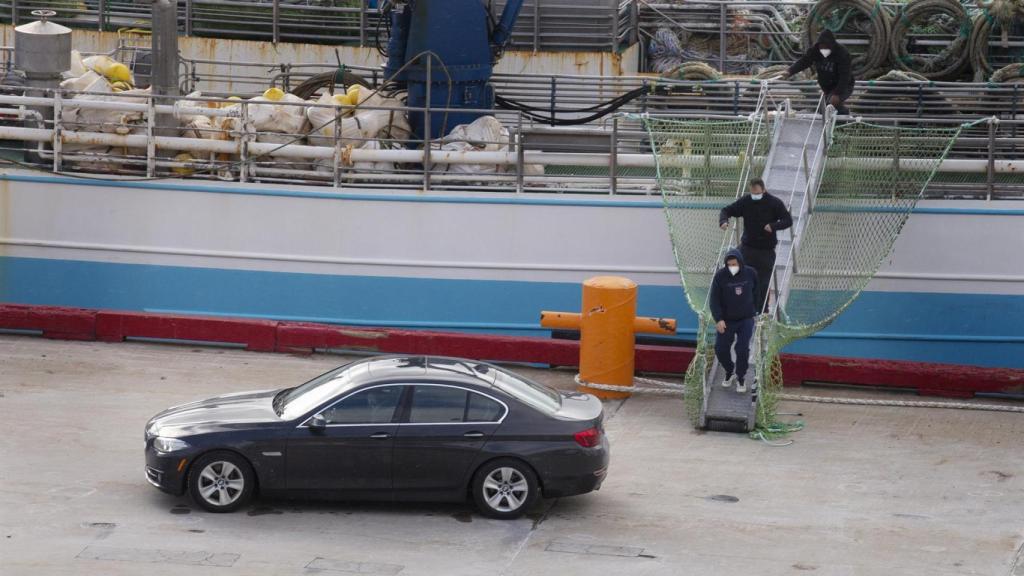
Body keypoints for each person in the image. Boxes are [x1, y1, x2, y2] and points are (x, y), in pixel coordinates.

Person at [719, 178, 793, 313]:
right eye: (753, 194)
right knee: (737, 272)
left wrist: (773, 226)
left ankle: (762, 311)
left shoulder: (774, 203)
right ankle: (736, 305)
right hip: (747, 248)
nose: (755, 197)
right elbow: (726, 210)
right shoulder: (746, 202)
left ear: (763, 190)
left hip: (766, 251)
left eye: (757, 194)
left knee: (763, 283)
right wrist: (723, 221)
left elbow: (788, 220)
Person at [709, 249, 758, 393]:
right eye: (729, 265)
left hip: (746, 319)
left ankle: (741, 377)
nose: (732, 267)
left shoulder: (751, 273)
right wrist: (718, 319)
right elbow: (714, 300)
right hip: (727, 320)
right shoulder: (720, 276)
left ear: (740, 263)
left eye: (734, 264)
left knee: (742, 349)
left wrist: (758, 310)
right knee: (720, 348)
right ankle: (729, 370)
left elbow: (757, 293)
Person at [782, 29, 854, 115]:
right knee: (824, 108)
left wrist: (837, 93)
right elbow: (804, 61)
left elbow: (845, 76)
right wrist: (790, 71)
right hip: (827, 86)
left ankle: (843, 117)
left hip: (843, 85)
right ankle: (839, 118)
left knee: (831, 104)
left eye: (826, 47)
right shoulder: (815, 50)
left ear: (831, 46)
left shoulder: (842, 53)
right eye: (821, 47)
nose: (823, 49)